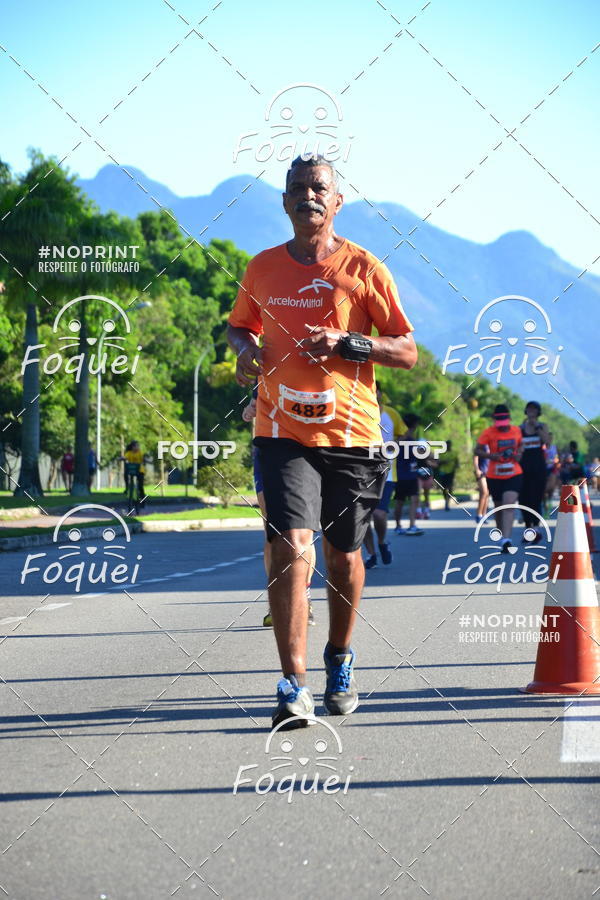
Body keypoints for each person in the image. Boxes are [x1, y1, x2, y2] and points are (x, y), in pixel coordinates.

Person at [227, 154, 417, 729]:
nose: (308, 196)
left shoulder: (364, 269)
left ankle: (340, 658)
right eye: (297, 189)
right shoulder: (260, 269)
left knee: (343, 554)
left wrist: (349, 344)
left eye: (319, 188)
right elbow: (240, 324)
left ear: (337, 201)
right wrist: (244, 351)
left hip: (352, 435)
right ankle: (293, 681)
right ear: (284, 202)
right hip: (280, 430)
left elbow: (406, 349)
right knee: (290, 544)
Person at [242, 387, 316, 625]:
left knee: (305, 531)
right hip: (268, 452)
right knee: (272, 531)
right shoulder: (266, 363)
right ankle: (277, 602)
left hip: (308, 449)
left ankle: (304, 597)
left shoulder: (318, 358)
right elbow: (253, 406)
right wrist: (249, 410)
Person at [363, 383, 405, 568]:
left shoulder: (391, 413)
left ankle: (381, 543)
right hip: (360, 472)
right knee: (362, 518)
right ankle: (371, 554)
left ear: (380, 393)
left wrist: (394, 443)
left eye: (375, 390)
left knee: (379, 514)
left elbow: (403, 435)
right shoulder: (357, 412)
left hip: (386, 473)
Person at [475, 404, 523, 553]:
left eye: (504, 421)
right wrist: (490, 456)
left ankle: (507, 539)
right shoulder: (488, 432)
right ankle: (502, 538)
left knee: (509, 505)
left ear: (509, 418)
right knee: (499, 508)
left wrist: (518, 453)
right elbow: (476, 450)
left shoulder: (516, 430)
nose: (502, 426)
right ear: (494, 420)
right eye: (499, 422)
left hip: (514, 473)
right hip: (494, 475)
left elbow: (521, 446)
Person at [518, 401, 550, 542]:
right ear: (525, 411)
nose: (531, 411)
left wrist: (537, 427)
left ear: (538, 412)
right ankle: (527, 528)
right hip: (522, 467)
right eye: (529, 409)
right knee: (523, 499)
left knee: (535, 498)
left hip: (538, 467)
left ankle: (536, 529)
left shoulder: (542, 426)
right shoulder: (519, 428)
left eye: (534, 409)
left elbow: (547, 442)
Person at [393, 413, 425, 536]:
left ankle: (409, 525)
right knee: (402, 501)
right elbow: (421, 452)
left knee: (411, 500)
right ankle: (400, 525)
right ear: (414, 425)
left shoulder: (401, 440)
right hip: (403, 475)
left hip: (409, 474)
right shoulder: (406, 440)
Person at [437, 439, 459, 511]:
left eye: (449, 445)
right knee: (444, 488)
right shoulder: (441, 453)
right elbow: (437, 462)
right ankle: (446, 499)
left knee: (449, 487)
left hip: (451, 472)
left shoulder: (454, 453)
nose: (448, 446)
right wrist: (443, 462)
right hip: (443, 472)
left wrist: (456, 466)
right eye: (447, 445)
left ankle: (447, 503)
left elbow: (457, 462)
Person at [123, 440, 145, 508]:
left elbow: (143, 459)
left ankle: (142, 500)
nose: (137, 447)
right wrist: (121, 458)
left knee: (140, 486)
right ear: (132, 447)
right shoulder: (129, 453)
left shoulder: (140, 453)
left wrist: (146, 460)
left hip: (140, 470)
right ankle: (127, 488)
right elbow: (125, 457)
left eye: (138, 446)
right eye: (136, 446)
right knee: (125, 473)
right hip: (131, 470)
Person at [473, 448, 489, 522]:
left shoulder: (493, 443)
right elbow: (475, 456)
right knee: (484, 492)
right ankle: (479, 515)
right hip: (481, 471)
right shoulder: (482, 444)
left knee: (487, 494)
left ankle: (484, 515)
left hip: (489, 472)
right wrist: (477, 469)